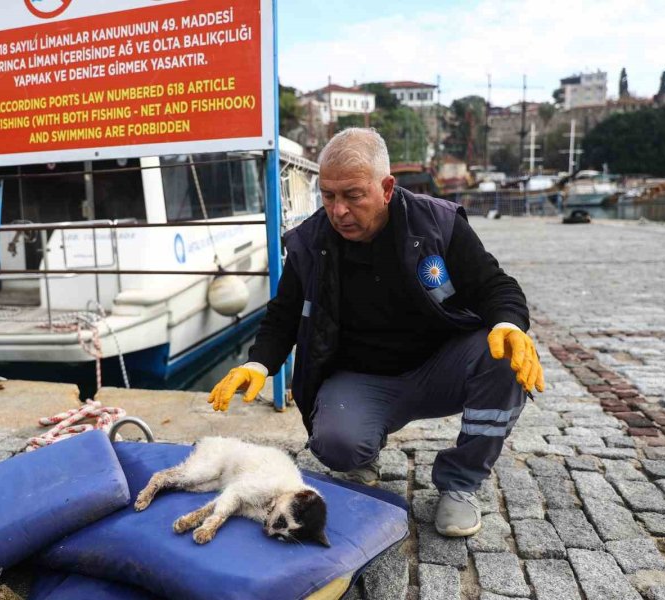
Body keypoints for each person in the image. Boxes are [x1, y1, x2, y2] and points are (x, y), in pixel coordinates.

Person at [207, 128, 544, 537]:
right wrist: (259, 363)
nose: (338, 211)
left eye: (352, 195)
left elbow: (496, 286)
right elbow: (283, 315)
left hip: (440, 365)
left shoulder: (438, 224)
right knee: (336, 446)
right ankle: (362, 448)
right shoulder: (309, 242)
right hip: (363, 378)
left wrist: (509, 324)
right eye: (328, 196)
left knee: (505, 356)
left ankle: (460, 484)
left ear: (386, 188)